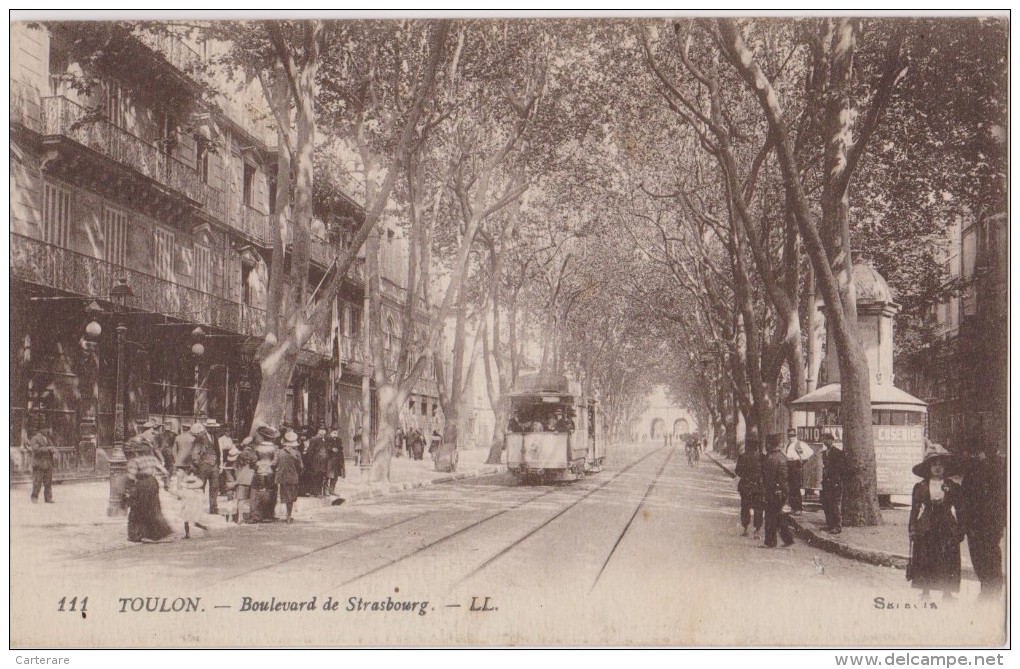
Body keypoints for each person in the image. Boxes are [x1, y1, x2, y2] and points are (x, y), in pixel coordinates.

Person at [908, 441, 966, 601]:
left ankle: (947, 592)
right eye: (934, 464)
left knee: (948, 557)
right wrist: (912, 528)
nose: (938, 468)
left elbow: (960, 509)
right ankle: (925, 591)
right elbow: (915, 509)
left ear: (946, 468)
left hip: (947, 525)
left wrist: (961, 529)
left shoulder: (952, 487)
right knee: (926, 556)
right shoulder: (920, 487)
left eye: (941, 465)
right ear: (928, 467)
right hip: (927, 525)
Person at [962, 443, 1005, 600]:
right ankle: (986, 588)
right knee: (978, 558)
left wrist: (1001, 523)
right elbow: (964, 499)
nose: (979, 456)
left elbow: (1003, 499)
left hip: (991, 523)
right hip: (974, 524)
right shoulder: (971, 473)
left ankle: (991, 592)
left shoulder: (999, 471)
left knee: (991, 556)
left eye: (982, 453)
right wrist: (965, 523)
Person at [125, 453, 173, 543]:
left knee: (138, 510)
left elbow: (131, 477)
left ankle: (137, 535)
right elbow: (165, 472)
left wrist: (128, 490)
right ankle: (161, 532)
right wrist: (166, 483)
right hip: (153, 482)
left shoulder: (135, 461)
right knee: (155, 508)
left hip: (141, 484)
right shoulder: (152, 459)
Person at [762, 434, 795, 548]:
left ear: (770, 444)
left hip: (774, 491)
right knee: (777, 515)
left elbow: (769, 478)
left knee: (770, 516)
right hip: (783, 490)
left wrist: (765, 492)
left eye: (767, 444)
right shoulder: (782, 456)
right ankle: (788, 539)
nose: (766, 446)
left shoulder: (771, 458)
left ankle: (771, 542)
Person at [735, 438, 764, 538]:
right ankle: (757, 531)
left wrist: (745, 475)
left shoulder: (742, 457)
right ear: (757, 447)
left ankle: (745, 529)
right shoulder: (762, 457)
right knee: (758, 509)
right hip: (758, 486)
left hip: (746, 486)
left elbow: (737, 471)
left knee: (745, 507)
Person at [251, 425, 280, 523]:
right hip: (270, 471)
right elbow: (275, 460)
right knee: (270, 491)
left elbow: (254, 459)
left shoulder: (258, 447)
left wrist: (259, 465)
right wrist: (270, 465)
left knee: (258, 491)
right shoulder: (274, 447)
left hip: (259, 469)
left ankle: (258, 513)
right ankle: (268, 514)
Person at [191, 421, 220, 514]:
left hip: (214, 465)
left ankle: (213, 508)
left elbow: (217, 451)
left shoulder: (214, 436)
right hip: (204, 465)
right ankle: (198, 508)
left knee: (214, 487)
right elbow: (195, 453)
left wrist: (218, 464)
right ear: (208, 427)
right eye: (212, 427)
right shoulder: (200, 437)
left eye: (215, 427)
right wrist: (200, 464)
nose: (214, 429)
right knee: (200, 487)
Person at [173, 470, 211, 539]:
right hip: (189, 502)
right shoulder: (196, 483)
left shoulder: (186, 483)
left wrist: (185, 485)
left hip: (190, 502)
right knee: (188, 520)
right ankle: (189, 533)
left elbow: (180, 492)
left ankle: (198, 530)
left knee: (189, 519)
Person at [819, 433, 845, 534]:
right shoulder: (825, 453)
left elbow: (841, 468)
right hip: (826, 482)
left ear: (831, 440)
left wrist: (836, 479)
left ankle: (837, 526)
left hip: (835, 482)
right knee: (827, 504)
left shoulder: (838, 453)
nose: (824, 442)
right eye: (823, 440)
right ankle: (830, 525)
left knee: (835, 504)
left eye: (826, 439)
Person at [782, 427, 812, 515]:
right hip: (789, 466)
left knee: (796, 488)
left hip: (796, 467)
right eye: (789, 436)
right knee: (790, 489)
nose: (791, 437)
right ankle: (793, 508)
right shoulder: (788, 445)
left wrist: (800, 459)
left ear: (795, 435)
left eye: (792, 435)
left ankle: (798, 508)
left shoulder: (799, 444)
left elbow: (810, 452)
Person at [276, 431, 304, 524]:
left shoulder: (279, 452)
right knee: (291, 498)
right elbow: (301, 467)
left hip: (282, 477)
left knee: (283, 496)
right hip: (293, 477)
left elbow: (275, 463)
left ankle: (283, 514)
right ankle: (288, 516)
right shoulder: (296, 453)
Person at [28, 425, 56, 503]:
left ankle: (48, 498)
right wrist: (48, 449)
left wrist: (52, 449)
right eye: (46, 429)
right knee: (37, 482)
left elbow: (52, 446)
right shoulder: (35, 438)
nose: (48, 430)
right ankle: (34, 497)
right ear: (41, 430)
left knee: (48, 482)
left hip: (48, 463)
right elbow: (36, 450)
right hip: (39, 464)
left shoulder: (47, 438)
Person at [234, 438, 257, 524]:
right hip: (251, 478)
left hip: (241, 478)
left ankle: (240, 517)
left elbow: (235, 467)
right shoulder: (253, 454)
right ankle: (251, 516)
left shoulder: (240, 454)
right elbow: (255, 465)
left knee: (241, 499)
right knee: (252, 499)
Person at [324, 429, 345, 495]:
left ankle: (332, 490)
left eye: (336, 432)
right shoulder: (327, 439)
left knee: (335, 476)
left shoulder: (339, 440)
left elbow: (341, 449)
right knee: (327, 476)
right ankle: (326, 490)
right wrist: (331, 449)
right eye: (334, 432)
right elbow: (325, 448)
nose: (335, 434)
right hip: (329, 460)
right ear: (331, 433)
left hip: (337, 460)